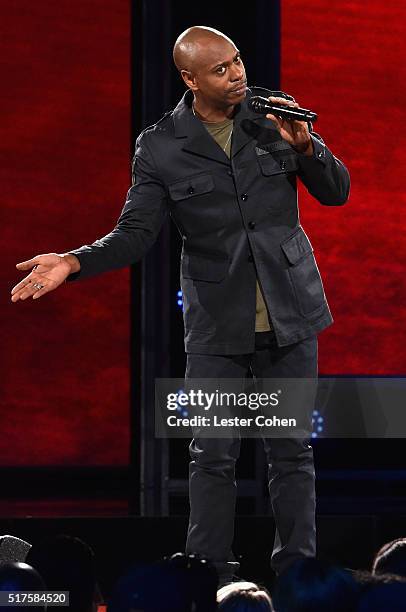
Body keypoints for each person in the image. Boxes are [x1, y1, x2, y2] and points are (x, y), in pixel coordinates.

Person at [11, 26, 350, 586]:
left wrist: (307, 146)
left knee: (291, 455)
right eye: (221, 69)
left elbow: (336, 192)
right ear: (190, 78)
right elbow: (136, 232)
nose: (237, 73)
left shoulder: (272, 117)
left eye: (238, 60)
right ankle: (208, 574)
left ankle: (297, 573)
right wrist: (73, 261)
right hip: (219, 325)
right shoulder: (162, 145)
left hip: (291, 317)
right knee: (212, 455)